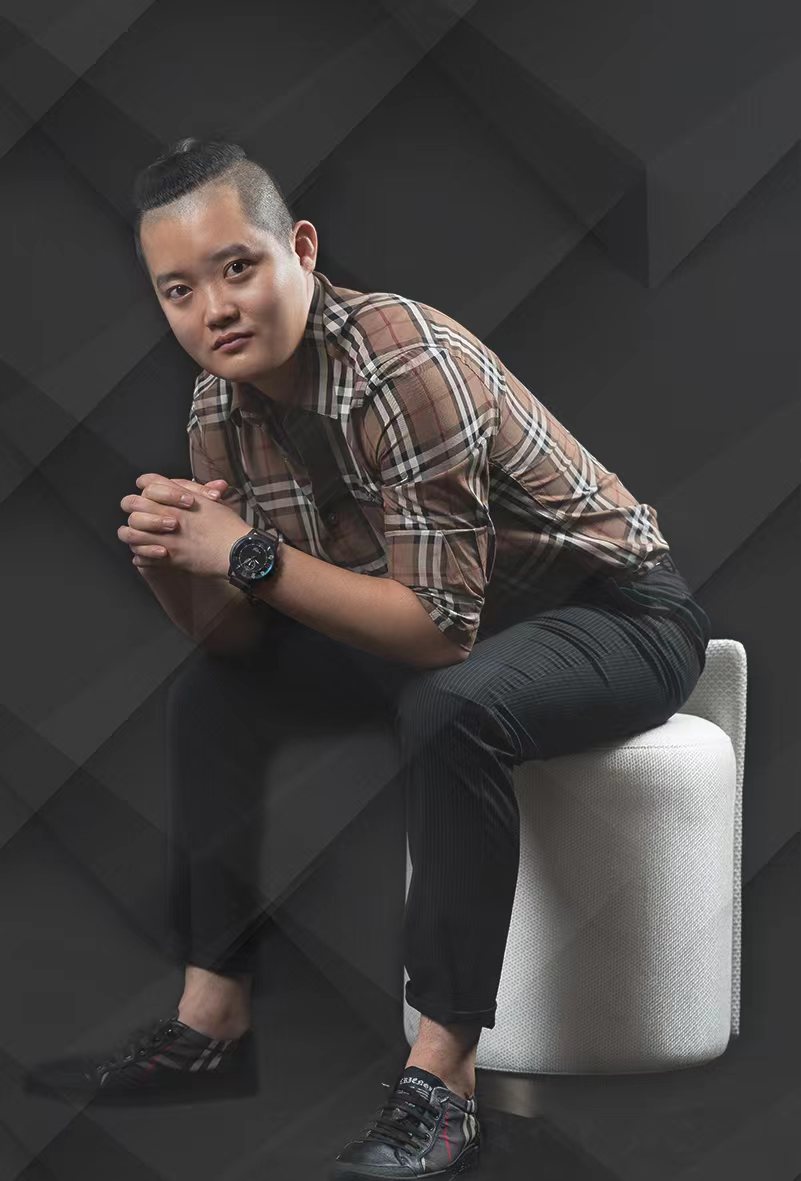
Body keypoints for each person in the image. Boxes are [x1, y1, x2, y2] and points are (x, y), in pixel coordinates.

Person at [26, 138, 711, 1178]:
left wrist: (245, 554)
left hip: (614, 610)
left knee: (451, 707)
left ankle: (443, 1081)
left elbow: (439, 631)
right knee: (213, 695)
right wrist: (176, 564)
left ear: (300, 248)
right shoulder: (218, 405)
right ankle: (210, 1018)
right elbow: (241, 637)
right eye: (179, 289)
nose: (215, 308)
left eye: (238, 266)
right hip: (473, 625)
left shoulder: (403, 364)